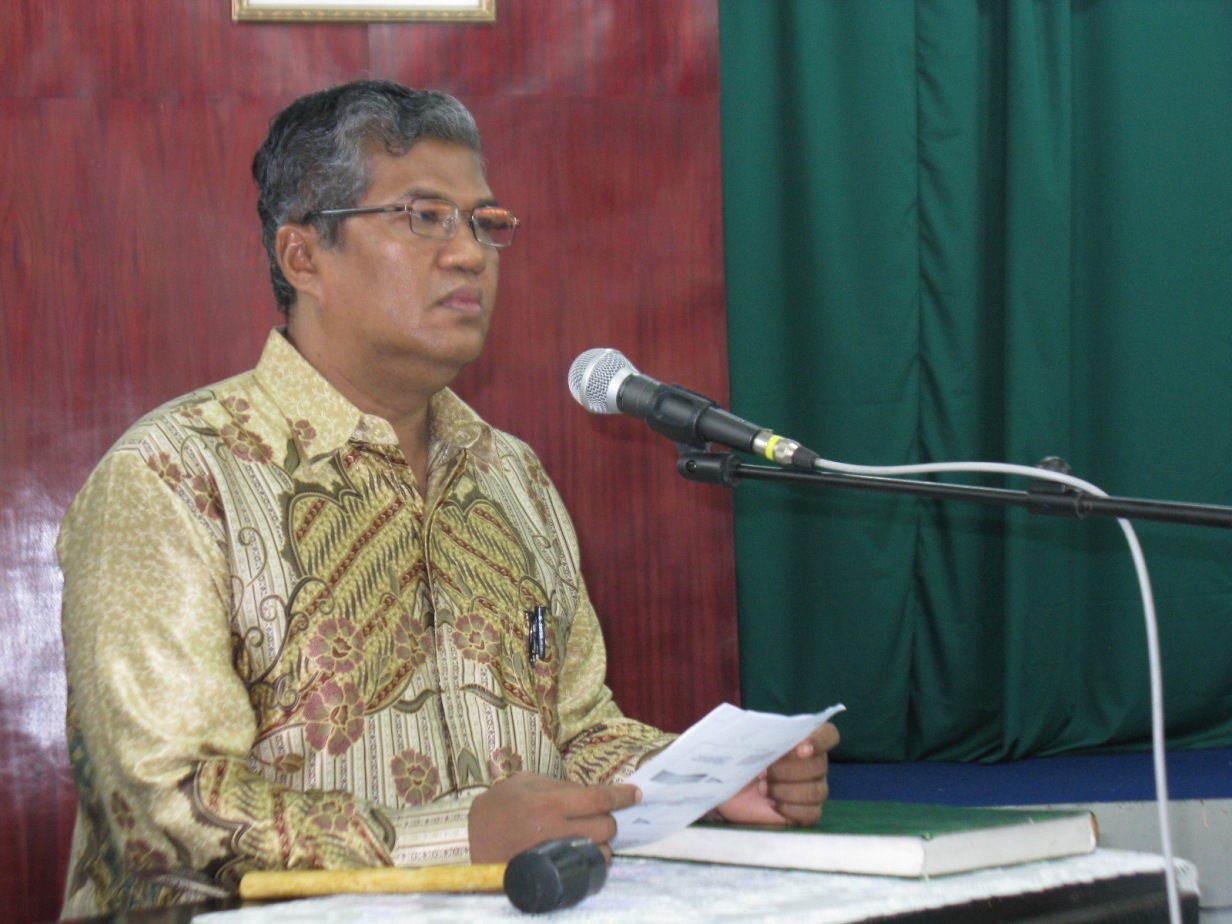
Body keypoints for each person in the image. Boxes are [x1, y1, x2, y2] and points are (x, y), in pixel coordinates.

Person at [57, 80, 840, 917]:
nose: (469, 252)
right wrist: (454, 839)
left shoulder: (512, 477)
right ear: (303, 257)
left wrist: (703, 779)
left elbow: (577, 731)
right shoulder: (173, 476)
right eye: (423, 216)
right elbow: (165, 806)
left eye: (484, 223)